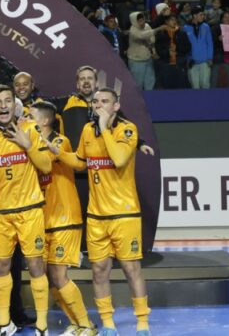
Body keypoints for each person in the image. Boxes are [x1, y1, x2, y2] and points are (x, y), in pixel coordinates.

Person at [51, 88, 151, 336]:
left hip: (124, 215)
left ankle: (142, 322)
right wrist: (60, 155)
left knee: (131, 269)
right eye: (95, 102)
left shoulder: (127, 130)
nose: (98, 106)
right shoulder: (87, 130)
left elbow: (118, 159)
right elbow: (82, 162)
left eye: (105, 102)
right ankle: (107, 323)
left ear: (116, 106)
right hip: (96, 216)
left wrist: (105, 128)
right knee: (99, 270)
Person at [0, 85, 52, 336]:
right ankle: (5, 324)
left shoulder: (29, 129)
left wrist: (27, 145)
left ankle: (42, 325)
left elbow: (47, 166)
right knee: (1, 267)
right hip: (1, 213)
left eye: (8, 101)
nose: (3, 105)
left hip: (30, 210)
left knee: (36, 265)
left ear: (14, 106)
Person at [29, 102, 94, 336]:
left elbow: (46, 162)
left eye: (30, 116)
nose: (26, 119)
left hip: (64, 217)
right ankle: (75, 322)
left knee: (59, 275)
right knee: (49, 277)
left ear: (44, 121)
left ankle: (87, 325)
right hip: (42, 218)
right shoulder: (33, 144)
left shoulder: (59, 141)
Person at [183, 6, 213, 89]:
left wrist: (210, 58)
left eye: (203, 15)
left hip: (205, 61)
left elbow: (210, 43)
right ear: (194, 15)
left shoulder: (206, 26)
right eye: (201, 15)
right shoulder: (185, 28)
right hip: (192, 61)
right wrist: (188, 58)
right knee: (195, 87)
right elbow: (184, 46)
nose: (203, 16)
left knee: (205, 85)